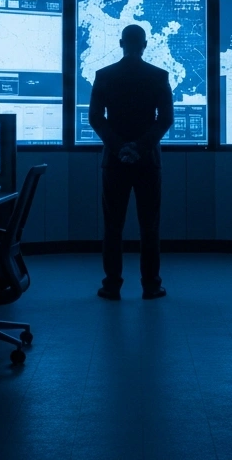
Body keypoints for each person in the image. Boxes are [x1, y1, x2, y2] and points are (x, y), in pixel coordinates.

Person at [88, 24, 173, 300]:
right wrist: (140, 147)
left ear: (121, 42)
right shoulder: (159, 76)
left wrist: (119, 147)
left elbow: (96, 118)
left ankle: (111, 286)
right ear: (145, 44)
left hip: (114, 163)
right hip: (149, 162)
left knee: (113, 226)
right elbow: (165, 119)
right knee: (150, 226)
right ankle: (151, 286)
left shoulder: (104, 76)